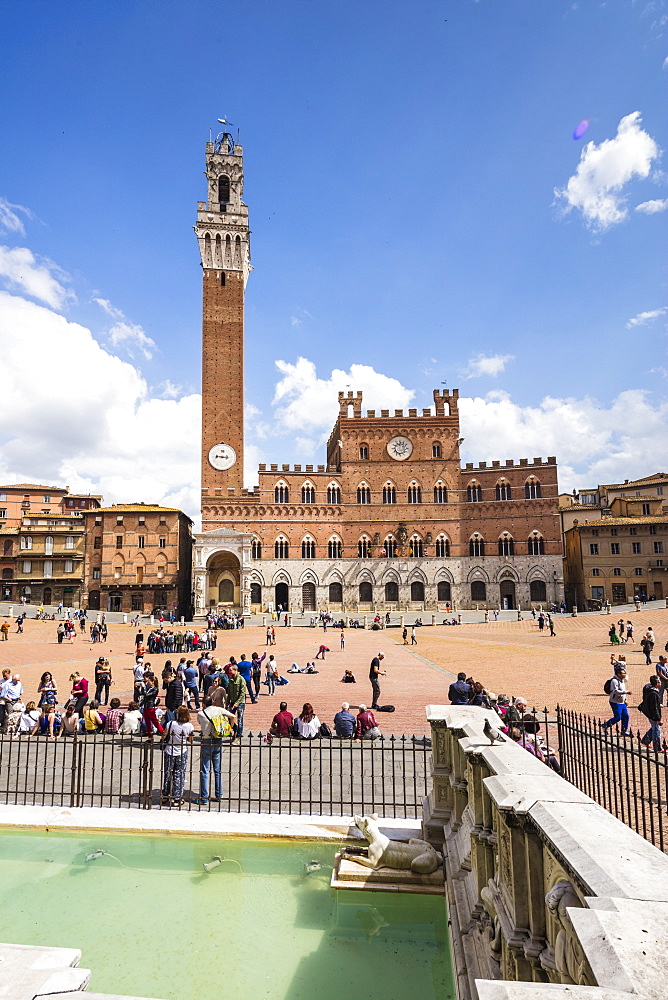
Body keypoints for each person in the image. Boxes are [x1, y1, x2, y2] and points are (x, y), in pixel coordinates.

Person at [197, 696, 235, 803]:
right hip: (218, 739)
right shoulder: (219, 710)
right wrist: (229, 728)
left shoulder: (201, 714)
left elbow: (201, 724)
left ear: (204, 704)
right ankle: (219, 794)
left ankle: (204, 797)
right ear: (212, 702)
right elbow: (233, 716)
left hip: (206, 740)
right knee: (217, 769)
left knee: (205, 769)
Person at [161, 706, 194, 806]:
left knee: (167, 773)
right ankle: (177, 798)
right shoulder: (189, 726)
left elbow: (164, 736)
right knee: (179, 774)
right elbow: (191, 740)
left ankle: (165, 795)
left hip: (170, 751)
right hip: (181, 751)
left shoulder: (171, 723)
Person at [600, 664, 631, 736]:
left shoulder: (622, 681)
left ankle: (624, 731)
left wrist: (625, 699)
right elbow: (615, 691)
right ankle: (605, 725)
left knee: (626, 716)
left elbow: (622, 690)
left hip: (622, 702)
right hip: (615, 702)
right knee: (618, 717)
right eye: (623, 673)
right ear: (618, 674)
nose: (625, 674)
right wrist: (626, 692)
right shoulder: (614, 681)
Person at [639, 674, 663, 753]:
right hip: (652, 714)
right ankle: (657, 748)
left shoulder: (647, 688)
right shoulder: (654, 694)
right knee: (656, 730)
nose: (660, 683)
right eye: (659, 682)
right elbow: (655, 708)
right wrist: (658, 719)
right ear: (656, 683)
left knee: (654, 727)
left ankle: (645, 740)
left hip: (647, 711)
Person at [226, 664, 247, 737]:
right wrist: (227, 703)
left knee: (239, 719)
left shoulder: (241, 679)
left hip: (240, 702)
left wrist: (237, 703)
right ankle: (236, 729)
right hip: (232, 702)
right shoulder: (230, 679)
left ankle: (239, 734)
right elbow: (229, 692)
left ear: (235, 670)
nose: (229, 672)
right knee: (229, 717)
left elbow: (243, 693)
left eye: (231, 670)